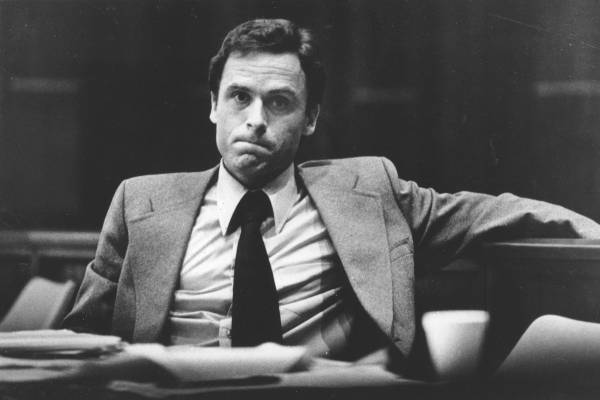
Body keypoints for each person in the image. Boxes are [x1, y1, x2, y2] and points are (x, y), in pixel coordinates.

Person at [63, 18, 600, 367]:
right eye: (239, 97)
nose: (255, 119)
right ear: (213, 106)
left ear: (311, 118)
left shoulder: (367, 191)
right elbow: (81, 338)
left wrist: (590, 230)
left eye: (279, 102)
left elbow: (489, 213)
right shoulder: (141, 202)